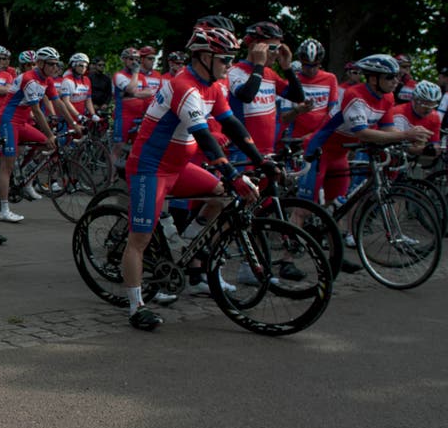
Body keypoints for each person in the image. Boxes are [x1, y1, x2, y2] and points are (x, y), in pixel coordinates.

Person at [121, 22, 273, 331]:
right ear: (203, 57)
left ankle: (182, 246)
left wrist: (262, 160)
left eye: (231, 59)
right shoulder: (184, 86)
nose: (229, 65)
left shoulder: (214, 87)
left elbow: (231, 125)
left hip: (178, 167)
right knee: (139, 238)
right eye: (224, 59)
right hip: (149, 167)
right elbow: (204, 137)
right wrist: (234, 175)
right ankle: (136, 306)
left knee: (221, 194)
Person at [302, 54, 432, 206]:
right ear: (373, 79)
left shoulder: (388, 97)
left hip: (340, 155)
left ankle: (338, 230)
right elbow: (362, 133)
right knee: (304, 210)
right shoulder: (355, 95)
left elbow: (388, 128)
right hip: (318, 151)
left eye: (397, 76)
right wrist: (405, 135)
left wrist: (411, 138)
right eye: (390, 77)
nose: (396, 81)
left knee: (341, 205)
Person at [226, 21, 304, 159]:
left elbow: (298, 97)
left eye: (279, 48)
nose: (276, 53)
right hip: (243, 152)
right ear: (254, 46)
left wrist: (287, 68)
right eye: (272, 47)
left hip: (268, 151)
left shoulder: (270, 74)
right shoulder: (234, 72)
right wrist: (259, 64)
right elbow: (247, 95)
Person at [0, 46, 57, 216]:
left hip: (22, 122)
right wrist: (50, 133)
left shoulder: (48, 79)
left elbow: (58, 102)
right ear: (41, 63)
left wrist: (74, 125)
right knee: (6, 166)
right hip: (8, 120)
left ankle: (27, 177)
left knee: (47, 145)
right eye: (51, 64)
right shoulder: (29, 79)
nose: (54, 67)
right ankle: (4, 209)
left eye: (56, 64)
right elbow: (37, 111)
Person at [280, 38, 338, 141]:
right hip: (296, 137)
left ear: (320, 62)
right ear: (300, 62)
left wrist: (314, 135)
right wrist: (297, 110)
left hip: (320, 135)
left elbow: (332, 114)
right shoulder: (291, 81)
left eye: (315, 65)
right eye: (306, 65)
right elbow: (284, 118)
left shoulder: (330, 79)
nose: (311, 69)